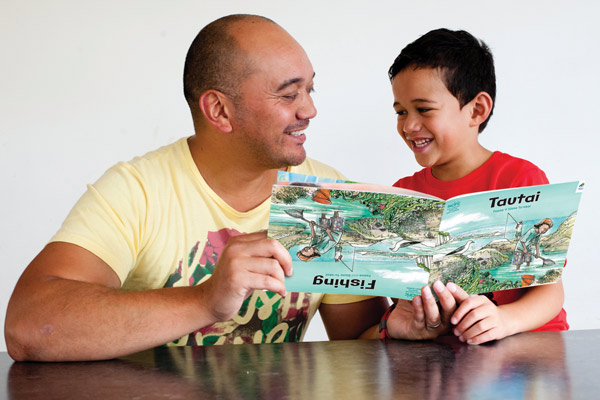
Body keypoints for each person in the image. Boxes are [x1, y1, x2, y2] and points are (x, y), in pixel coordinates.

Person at [4, 15, 455, 362]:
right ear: (219, 110)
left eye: (311, 90)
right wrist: (203, 300)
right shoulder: (137, 190)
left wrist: (396, 329)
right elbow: (29, 325)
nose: (310, 110)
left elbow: (355, 343)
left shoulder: (329, 196)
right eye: (288, 94)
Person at [388, 28, 568, 345]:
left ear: (477, 110)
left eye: (424, 109)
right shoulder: (402, 194)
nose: (409, 125)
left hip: (529, 352)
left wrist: (504, 319)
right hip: (445, 361)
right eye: (401, 111)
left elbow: (550, 290)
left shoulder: (520, 180)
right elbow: (402, 299)